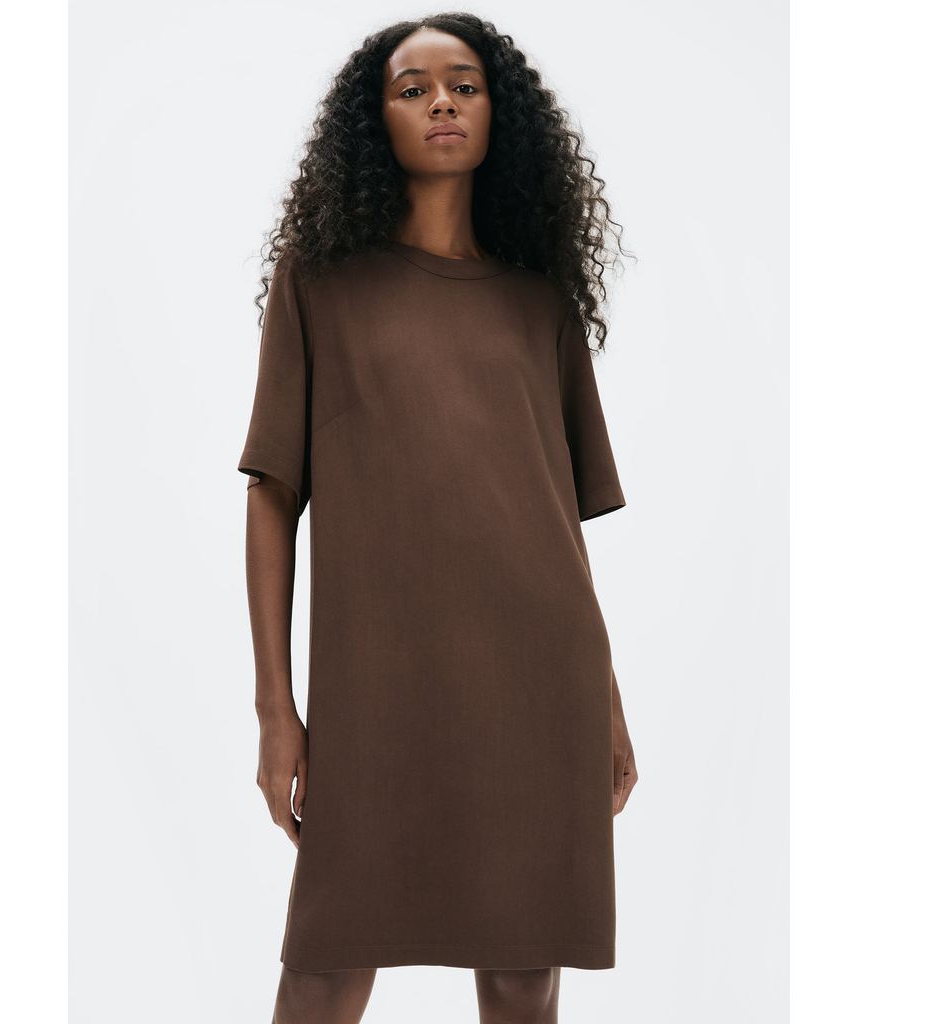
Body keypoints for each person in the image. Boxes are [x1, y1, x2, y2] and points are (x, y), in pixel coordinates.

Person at [238, 13, 639, 1024]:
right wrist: (277, 710)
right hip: (375, 689)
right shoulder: (319, 282)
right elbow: (272, 492)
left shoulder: (540, 300)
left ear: (500, 112)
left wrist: (606, 701)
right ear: (373, 122)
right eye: (411, 89)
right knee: (328, 963)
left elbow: (555, 521)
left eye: (463, 84)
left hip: (540, 683)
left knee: (523, 969)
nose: (442, 103)